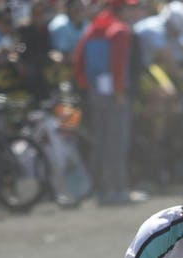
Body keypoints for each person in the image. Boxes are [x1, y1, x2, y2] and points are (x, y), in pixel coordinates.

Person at [73, 0, 143, 206]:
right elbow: (119, 63)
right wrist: (120, 90)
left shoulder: (93, 27)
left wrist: (87, 85)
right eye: (131, 7)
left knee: (102, 142)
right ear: (122, 9)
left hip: (96, 92)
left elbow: (78, 60)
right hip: (115, 94)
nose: (134, 11)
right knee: (117, 143)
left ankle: (102, 191)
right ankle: (119, 190)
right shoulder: (120, 30)